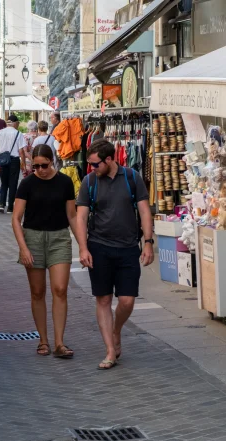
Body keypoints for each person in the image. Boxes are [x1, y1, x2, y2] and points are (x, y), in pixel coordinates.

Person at [74, 140, 155, 370]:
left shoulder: (132, 178)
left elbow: (144, 211)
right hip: (99, 247)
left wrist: (148, 242)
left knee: (127, 301)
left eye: (95, 164)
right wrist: (83, 247)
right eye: (90, 164)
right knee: (104, 299)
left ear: (109, 160)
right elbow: (80, 217)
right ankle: (110, 350)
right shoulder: (89, 182)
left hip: (128, 248)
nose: (91, 168)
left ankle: (116, 329)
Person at [13, 144, 78, 358]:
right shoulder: (27, 184)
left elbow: (72, 216)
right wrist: (23, 248)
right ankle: (43, 340)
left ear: (53, 162)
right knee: (38, 291)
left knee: (60, 289)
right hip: (33, 237)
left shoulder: (65, 182)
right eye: (35, 166)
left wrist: (83, 246)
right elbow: (16, 218)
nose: (39, 170)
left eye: (44, 165)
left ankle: (59, 343)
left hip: (59, 237)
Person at [0, 114, 26, 214]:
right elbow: (21, 151)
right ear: (15, 123)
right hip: (14, 160)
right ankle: (10, 207)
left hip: (3, 160)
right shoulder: (18, 133)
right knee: (13, 184)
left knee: (4, 184)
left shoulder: (0, 132)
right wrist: (23, 163)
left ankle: (2, 205)